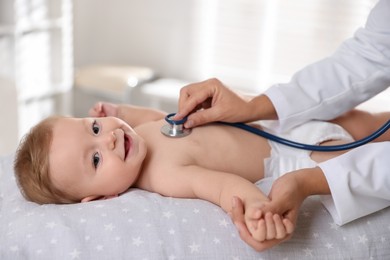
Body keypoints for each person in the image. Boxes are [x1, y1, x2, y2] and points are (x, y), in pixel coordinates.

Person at [13, 101, 387, 250]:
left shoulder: (134, 136)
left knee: (361, 120)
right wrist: (257, 207)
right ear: (98, 199)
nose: (109, 138)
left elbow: (159, 118)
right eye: (95, 160)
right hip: (297, 157)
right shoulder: (162, 176)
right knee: (364, 154)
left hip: (276, 125)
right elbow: (220, 187)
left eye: (94, 127)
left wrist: (122, 109)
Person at [173, 0, 390, 252]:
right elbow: (371, 55)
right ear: (112, 196)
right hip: (287, 140)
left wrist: (311, 182)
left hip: (301, 148)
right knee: (364, 127)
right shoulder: (161, 170)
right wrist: (253, 106)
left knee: (359, 124)